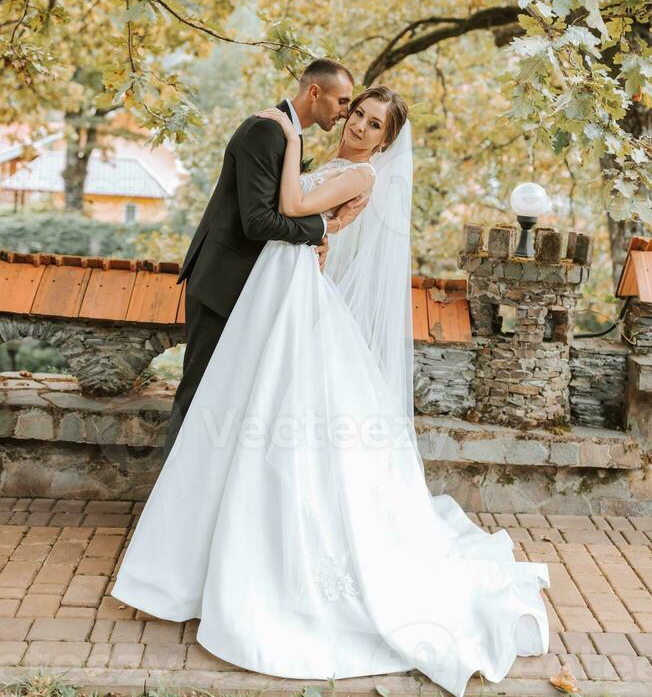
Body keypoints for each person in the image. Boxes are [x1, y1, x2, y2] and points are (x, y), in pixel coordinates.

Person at [111, 86, 550, 697]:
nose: (361, 130)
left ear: (387, 142)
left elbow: (290, 200)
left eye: (376, 126)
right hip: (283, 282)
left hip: (292, 288)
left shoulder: (359, 174)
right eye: (359, 116)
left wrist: (290, 138)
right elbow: (301, 217)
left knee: (278, 412)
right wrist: (315, 222)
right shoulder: (342, 165)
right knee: (244, 402)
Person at [161, 58, 366, 463]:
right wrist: (321, 231)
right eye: (342, 101)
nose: (346, 112)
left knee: (229, 394)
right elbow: (258, 222)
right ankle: (170, 499)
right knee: (198, 389)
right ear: (314, 92)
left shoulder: (287, 135)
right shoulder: (267, 131)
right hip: (222, 280)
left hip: (250, 286)